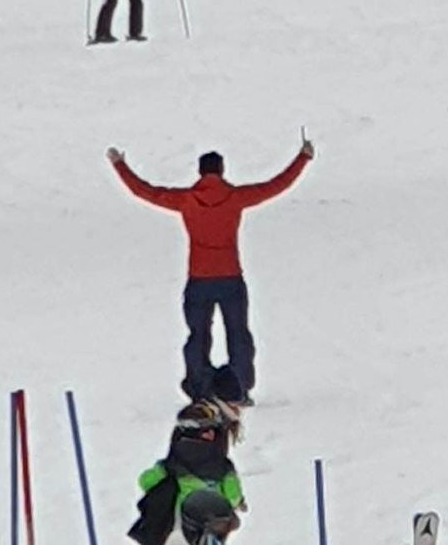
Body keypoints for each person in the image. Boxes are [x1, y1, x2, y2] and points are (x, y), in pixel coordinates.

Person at [106, 139, 314, 403]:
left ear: (200, 172)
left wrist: (119, 164)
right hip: (230, 277)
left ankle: (200, 388)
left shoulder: (186, 200)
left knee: (198, 335)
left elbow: (144, 191)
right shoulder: (235, 198)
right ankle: (238, 389)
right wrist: (303, 157)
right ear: (222, 170)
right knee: (238, 333)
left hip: (198, 279)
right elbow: (276, 185)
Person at [128, 404, 245, 545]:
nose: (211, 434)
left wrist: (161, 474)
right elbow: (233, 496)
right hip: (210, 526)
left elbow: (145, 481)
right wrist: (238, 502)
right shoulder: (223, 467)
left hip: (180, 527)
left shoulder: (171, 465)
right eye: (207, 431)